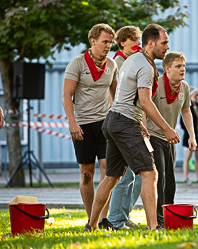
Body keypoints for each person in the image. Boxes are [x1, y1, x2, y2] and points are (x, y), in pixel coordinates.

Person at [84, 23, 180, 232]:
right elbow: (145, 101)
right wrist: (167, 128)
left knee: (112, 177)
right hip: (124, 122)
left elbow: (128, 97)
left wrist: (138, 122)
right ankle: (153, 227)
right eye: (164, 43)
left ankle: (91, 225)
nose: (167, 47)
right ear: (151, 43)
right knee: (150, 173)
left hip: (114, 121)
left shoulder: (132, 60)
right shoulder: (145, 66)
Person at [62, 23, 118, 229]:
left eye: (110, 43)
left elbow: (116, 95)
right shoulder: (76, 64)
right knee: (87, 174)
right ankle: (91, 219)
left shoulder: (112, 65)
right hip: (83, 125)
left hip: (105, 124)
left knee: (108, 170)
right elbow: (66, 96)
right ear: (92, 41)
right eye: (104, 42)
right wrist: (72, 122)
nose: (108, 46)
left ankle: (102, 219)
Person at [144, 51, 196, 228]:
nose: (183, 69)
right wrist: (143, 130)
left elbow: (186, 111)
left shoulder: (184, 87)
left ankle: (169, 214)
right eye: (178, 66)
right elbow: (143, 106)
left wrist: (192, 136)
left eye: (184, 66)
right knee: (160, 179)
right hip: (154, 135)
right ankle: (157, 219)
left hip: (171, 139)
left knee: (170, 182)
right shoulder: (155, 84)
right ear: (166, 69)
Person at [107, 25, 142, 230]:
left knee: (136, 174)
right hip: (121, 121)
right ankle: (116, 219)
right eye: (134, 39)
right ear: (123, 42)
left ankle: (122, 214)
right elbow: (115, 95)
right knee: (125, 174)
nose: (138, 43)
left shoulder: (131, 61)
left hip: (131, 120)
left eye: (138, 39)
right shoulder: (118, 62)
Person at [181, 86, 198, 184]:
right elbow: (183, 123)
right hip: (189, 136)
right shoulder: (186, 107)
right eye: (195, 95)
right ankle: (186, 177)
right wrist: (190, 134)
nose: (197, 98)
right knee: (188, 157)